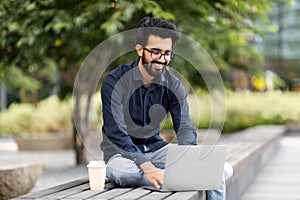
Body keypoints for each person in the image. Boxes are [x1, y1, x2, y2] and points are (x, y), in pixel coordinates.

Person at [100, 17, 232, 200]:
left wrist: (190, 160)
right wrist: (147, 167)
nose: (162, 59)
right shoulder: (115, 82)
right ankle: (172, 177)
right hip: (122, 156)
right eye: (156, 52)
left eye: (167, 53)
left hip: (157, 149)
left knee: (222, 169)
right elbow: (116, 134)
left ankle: (168, 176)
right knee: (122, 174)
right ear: (140, 50)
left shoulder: (173, 84)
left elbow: (185, 127)